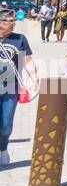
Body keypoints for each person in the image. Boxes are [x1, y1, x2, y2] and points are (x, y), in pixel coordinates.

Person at [0, 11, 39, 167]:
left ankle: (2, 148)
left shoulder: (20, 39)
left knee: (6, 124)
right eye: (11, 21)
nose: (14, 23)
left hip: (11, 87)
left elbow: (27, 60)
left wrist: (34, 77)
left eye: (14, 20)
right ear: (1, 21)